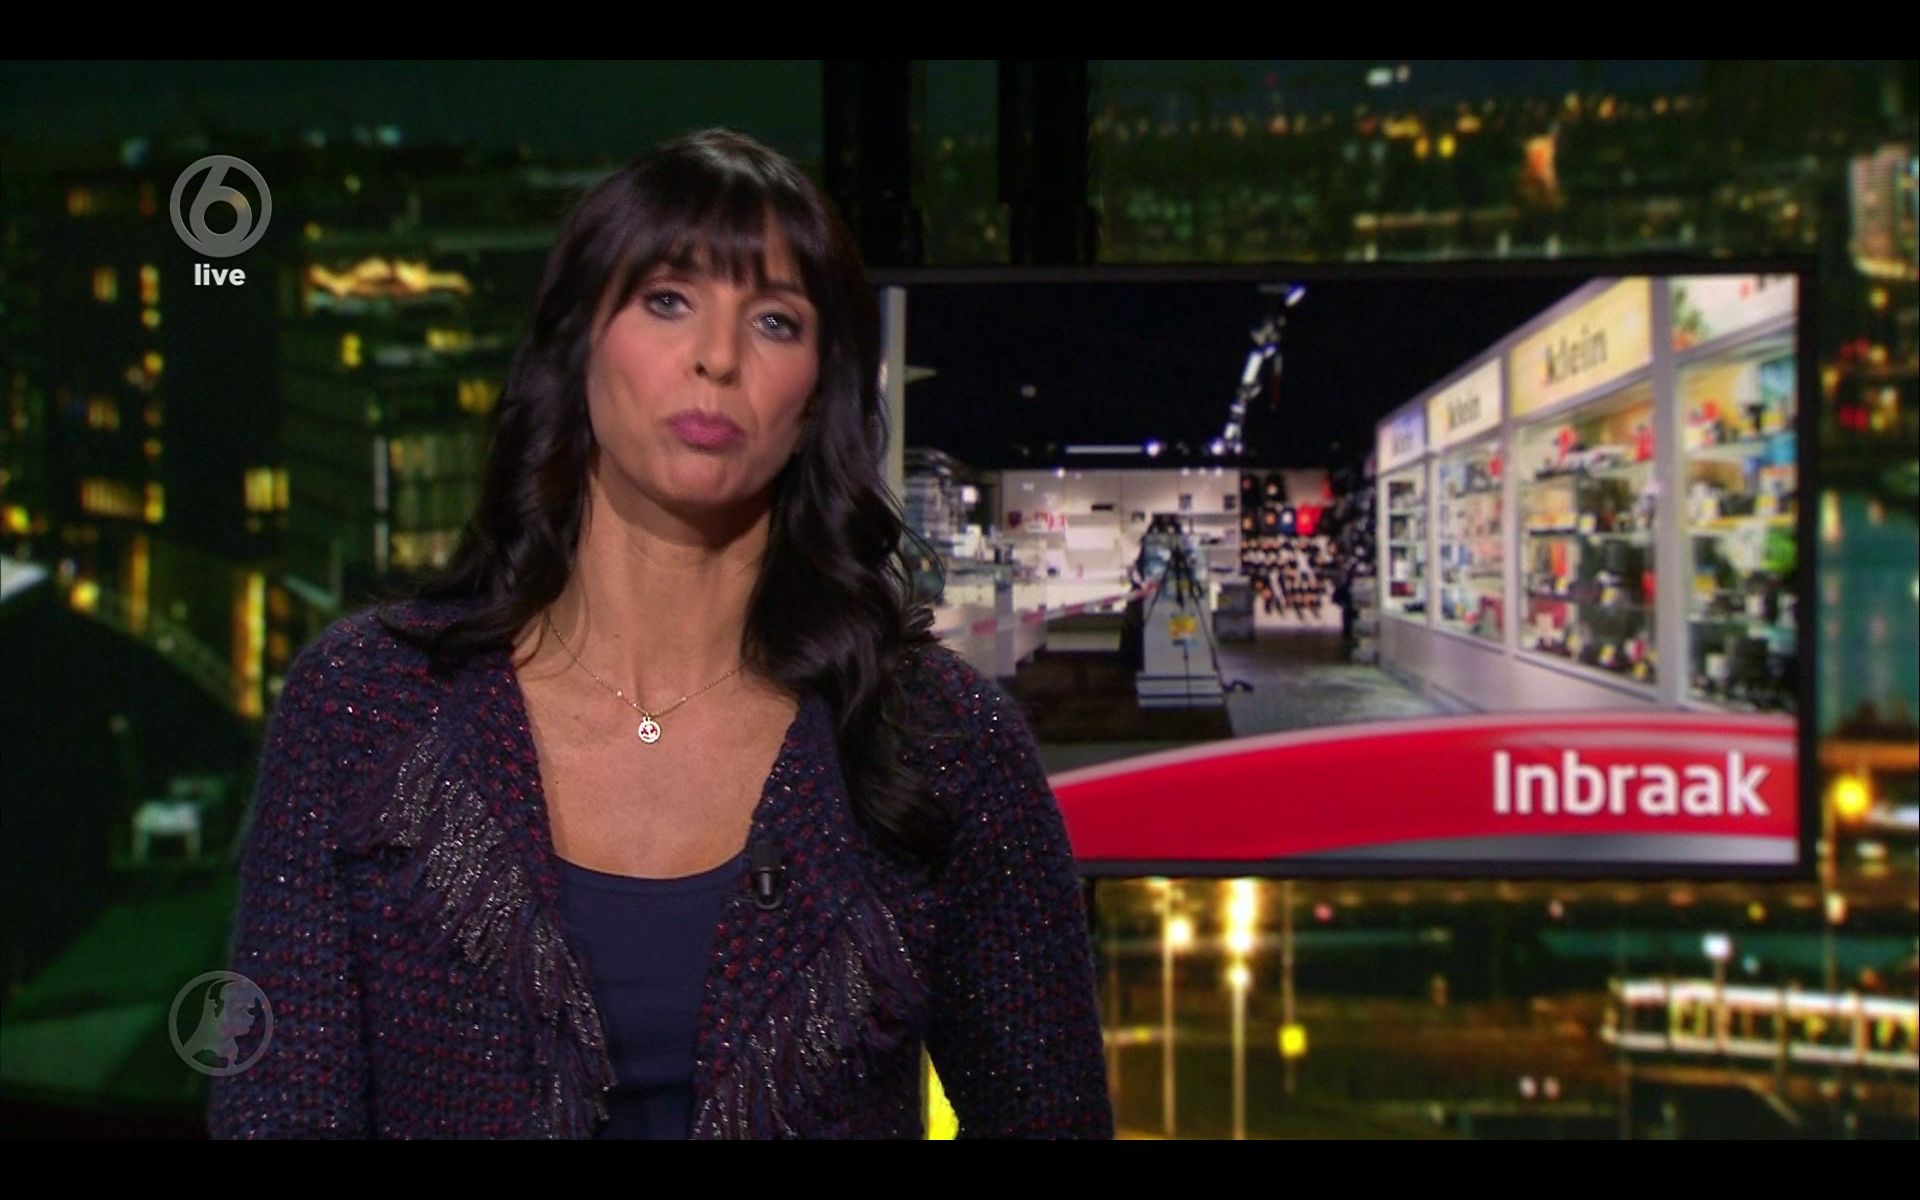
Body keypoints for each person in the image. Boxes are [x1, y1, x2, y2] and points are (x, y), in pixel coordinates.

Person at [206, 129, 1114, 1140]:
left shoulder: (942, 742)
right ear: (578, 343)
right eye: (668, 300)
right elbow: (279, 1112)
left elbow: (1054, 1119)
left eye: (774, 321)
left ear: (818, 395)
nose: (717, 358)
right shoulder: (365, 705)